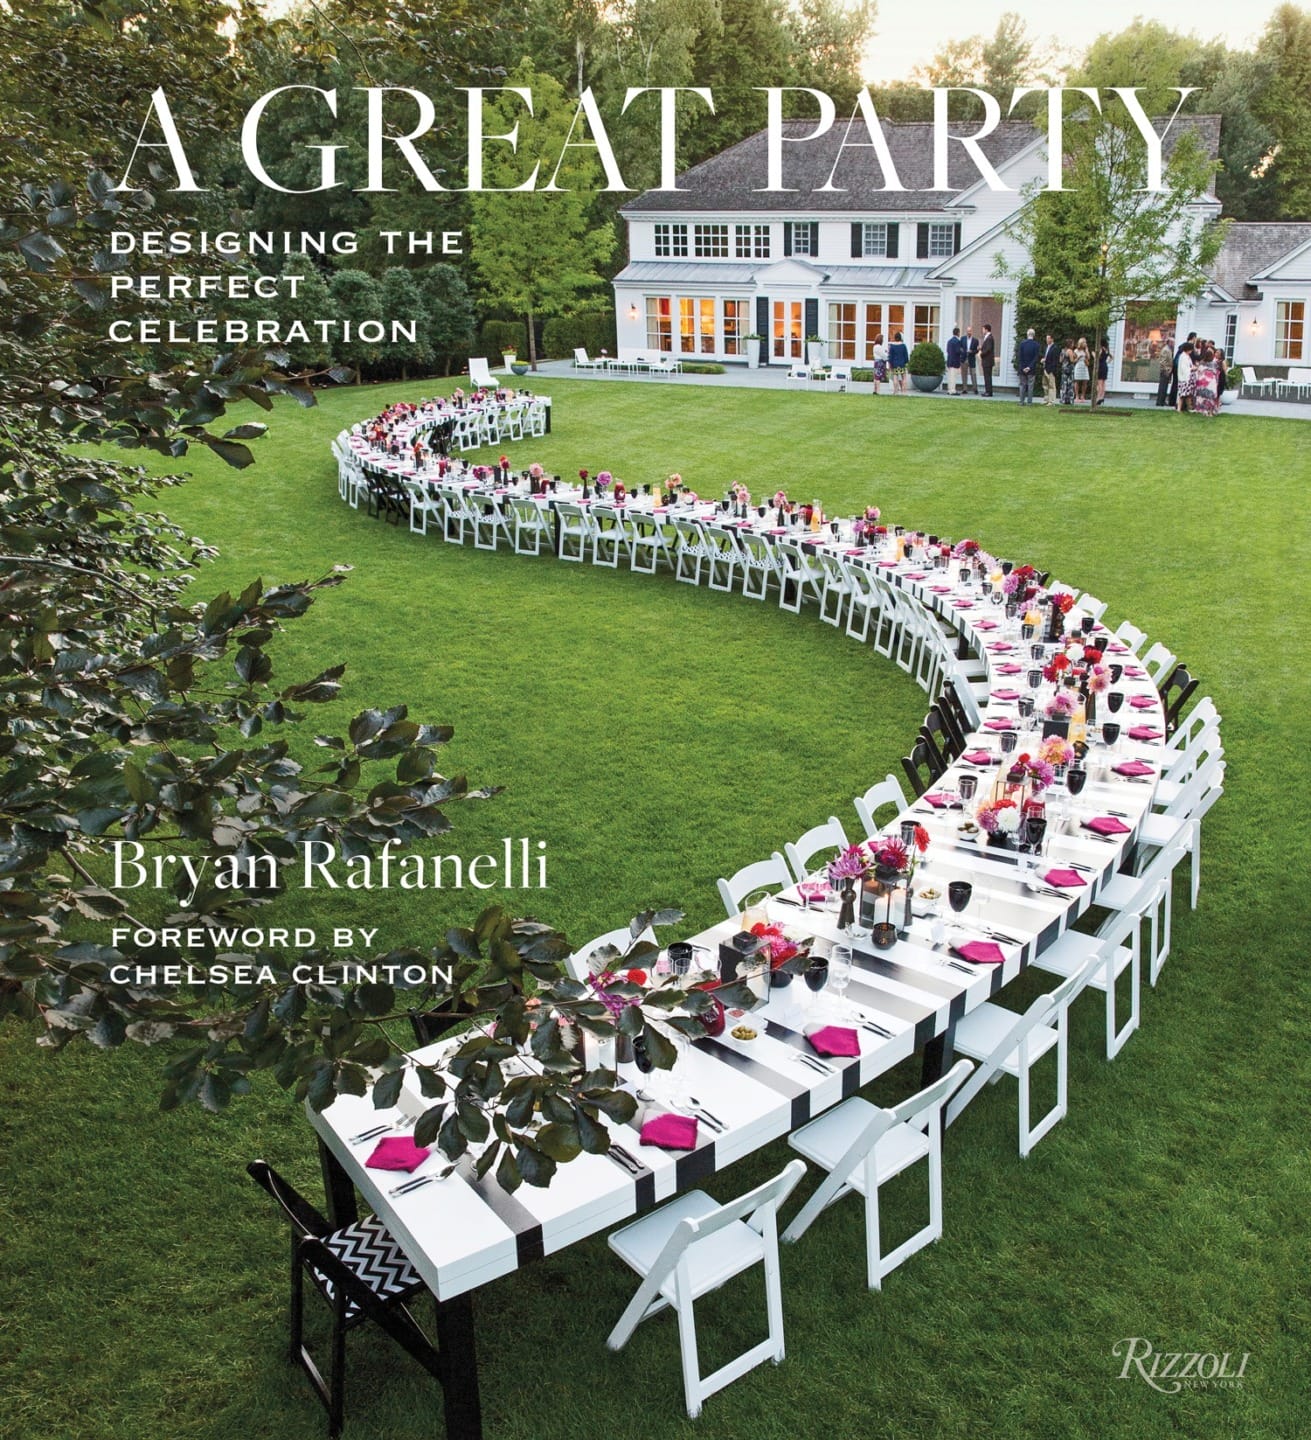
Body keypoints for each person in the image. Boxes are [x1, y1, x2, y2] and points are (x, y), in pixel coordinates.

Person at [1168, 331, 1197, 408]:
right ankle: (1179, 404)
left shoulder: (1183, 347)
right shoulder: (1188, 349)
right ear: (1194, 338)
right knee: (1181, 388)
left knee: (1176, 385)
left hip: (1178, 367)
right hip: (1181, 369)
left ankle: (1173, 402)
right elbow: (1194, 357)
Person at [1193, 344, 1219, 416]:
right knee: (1210, 397)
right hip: (1211, 382)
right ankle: (1210, 412)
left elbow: (1198, 371)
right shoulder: (1214, 364)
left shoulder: (1201, 362)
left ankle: (1204, 411)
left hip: (1202, 382)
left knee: (1202, 397)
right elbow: (1216, 373)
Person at [1017, 327, 1040, 404]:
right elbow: (1036, 358)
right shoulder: (1036, 345)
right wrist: (1029, 367)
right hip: (1031, 369)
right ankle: (1029, 402)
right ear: (1034, 335)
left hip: (1022, 368)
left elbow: (1020, 356)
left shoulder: (1022, 344)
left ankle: (1021, 401)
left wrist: (1023, 367)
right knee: (1030, 386)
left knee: (1022, 385)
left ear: (1027, 334)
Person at [1175, 340, 1195, 412]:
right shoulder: (1183, 356)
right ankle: (1179, 408)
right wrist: (1192, 368)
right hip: (1184, 378)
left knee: (1187, 394)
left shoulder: (1187, 356)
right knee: (1182, 394)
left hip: (1188, 378)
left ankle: (1189, 407)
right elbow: (1184, 368)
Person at [1042, 334, 1060, 405]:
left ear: (1052, 339)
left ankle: (1052, 401)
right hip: (1045, 368)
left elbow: (1055, 360)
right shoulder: (1047, 347)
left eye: (1048, 338)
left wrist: (1052, 371)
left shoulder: (1055, 348)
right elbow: (1047, 358)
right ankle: (1046, 399)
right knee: (1045, 384)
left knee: (1051, 385)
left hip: (1051, 370)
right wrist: (1044, 360)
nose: (1047, 340)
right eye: (1046, 338)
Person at [945, 327, 963, 394]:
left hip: (949, 360)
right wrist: (962, 351)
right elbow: (958, 351)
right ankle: (953, 390)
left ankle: (949, 389)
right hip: (955, 361)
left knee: (950, 376)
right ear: (958, 333)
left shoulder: (949, 341)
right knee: (953, 377)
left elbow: (947, 350)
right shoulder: (957, 341)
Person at [979, 323, 995, 395]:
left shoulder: (989, 338)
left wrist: (981, 354)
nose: (982, 331)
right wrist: (981, 348)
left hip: (987, 361)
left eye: (983, 329)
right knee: (987, 376)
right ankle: (988, 391)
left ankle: (988, 392)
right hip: (988, 361)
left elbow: (988, 349)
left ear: (986, 329)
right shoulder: (988, 337)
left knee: (987, 376)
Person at [1073, 337, 1090, 403]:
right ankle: (1077, 396)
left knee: (1085, 381)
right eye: (1084, 342)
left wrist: (1086, 350)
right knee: (1077, 381)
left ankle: (1083, 396)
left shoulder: (1085, 350)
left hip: (1085, 366)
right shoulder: (1076, 351)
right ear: (1081, 343)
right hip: (1078, 366)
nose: (1085, 344)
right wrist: (1078, 358)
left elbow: (1088, 358)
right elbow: (1073, 361)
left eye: (1086, 342)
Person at [964, 327, 979, 393]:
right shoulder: (963, 339)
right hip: (964, 359)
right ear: (966, 332)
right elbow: (961, 348)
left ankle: (975, 389)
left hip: (972, 359)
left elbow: (977, 350)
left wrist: (972, 351)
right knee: (964, 374)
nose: (969, 332)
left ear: (972, 332)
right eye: (968, 331)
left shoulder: (975, 340)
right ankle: (965, 389)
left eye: (970, 331)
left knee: (973, 374)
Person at [1096, 339, 1111, 404]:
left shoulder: (1101, 349)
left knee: (1099, 383)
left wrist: (1094, 355)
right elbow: (1112, 357)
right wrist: (1108, 362)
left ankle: (1098, 397)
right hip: (1105, 366)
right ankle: (1102, 397)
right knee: (1103, 383)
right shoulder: (1107, 350)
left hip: (1100, 366)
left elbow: (1098, 357)